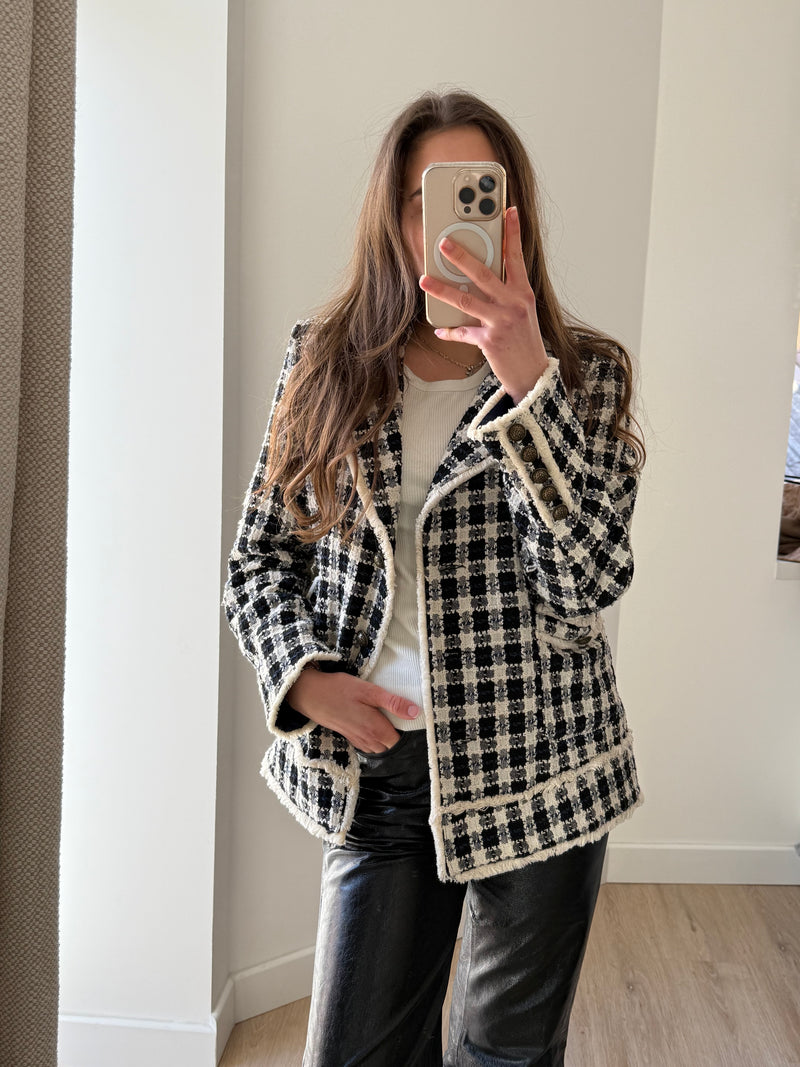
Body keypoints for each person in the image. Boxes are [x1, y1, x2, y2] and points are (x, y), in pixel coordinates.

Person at [223, 89, 646, 1067]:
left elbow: (585, 580)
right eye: (425, 198)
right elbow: (259, 559)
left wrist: (527, 383)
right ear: (394, 215)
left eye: (473, 194)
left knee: (505, 1056)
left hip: (539, 765)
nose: (445, 224)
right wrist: (304, 678)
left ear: (511, 215)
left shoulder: (585, 374)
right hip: (378, 770)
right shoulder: (326, 361)